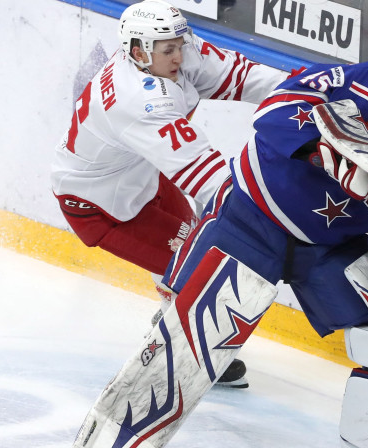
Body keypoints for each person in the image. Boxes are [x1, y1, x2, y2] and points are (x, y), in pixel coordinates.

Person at [72, 55, 368, 447]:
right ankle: (116, 437)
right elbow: (277, 107)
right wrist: (326, 155)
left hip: (327, 251)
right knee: (191, 345)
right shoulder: (365, 83)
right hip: (253, 218)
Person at [50, 0, 287, 387]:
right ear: (140, 51)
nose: (181, 54)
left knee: (196, 245)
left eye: (180, 43)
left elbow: (241, 76)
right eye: (169, 49)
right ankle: (176, 347)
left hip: (140, 175)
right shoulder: (139, 101)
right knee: (198, 257)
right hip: (98, 205)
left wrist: (309, 90)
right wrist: (275, 217)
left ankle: (176, 319)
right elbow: (209, 179)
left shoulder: (160, 54)